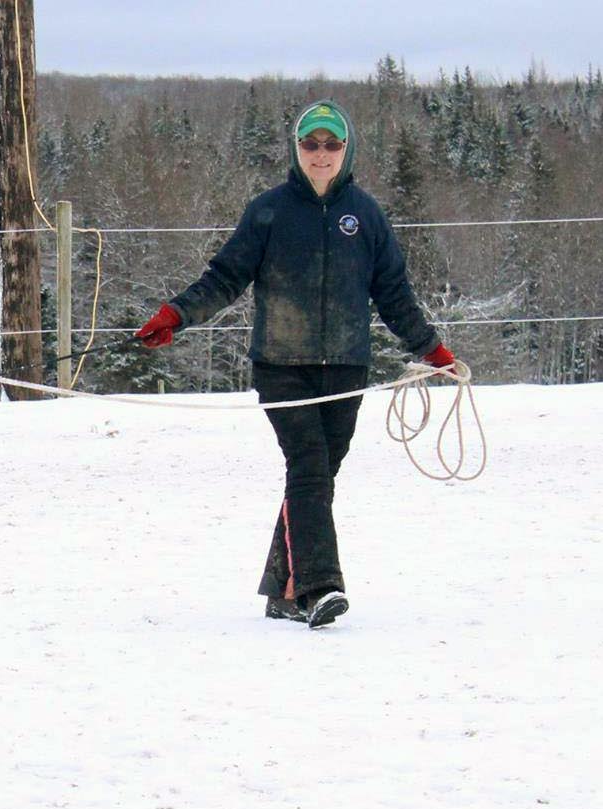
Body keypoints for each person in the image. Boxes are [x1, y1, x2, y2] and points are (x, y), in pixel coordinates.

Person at [134, 99, 457, 629]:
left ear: (346, 148)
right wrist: (176, 314)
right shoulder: (269, 212)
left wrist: (431, 349)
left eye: (332, 143)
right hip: (282, 367)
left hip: (345, 370)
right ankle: (319, 588)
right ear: (297, 149)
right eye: (311, 143)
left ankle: (282, 589)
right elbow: (225, 277)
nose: (321, 153)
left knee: (317, 479)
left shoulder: (367, 216)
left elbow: (394, 293)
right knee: (308, 468)